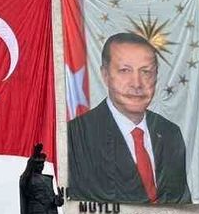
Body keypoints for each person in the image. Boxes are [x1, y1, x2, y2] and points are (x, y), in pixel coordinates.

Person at [67, 32, 190, 204]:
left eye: (146, 72)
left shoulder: (170, 133)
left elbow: (182, 202)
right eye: (125, 71)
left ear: (156, 77)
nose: (137, 84)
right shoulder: (77, 134)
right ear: (105, 75)